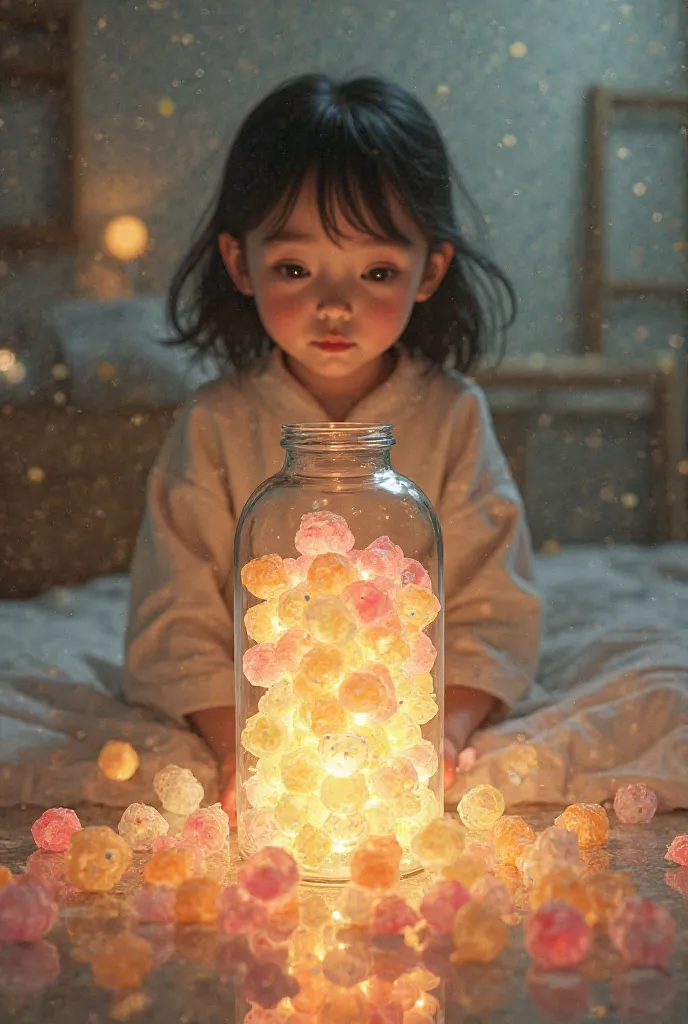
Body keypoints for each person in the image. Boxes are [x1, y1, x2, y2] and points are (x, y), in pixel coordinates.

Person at [124, 73, 542, 823]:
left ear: (431, 269)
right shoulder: (216, 424)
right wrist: (239, 744)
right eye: (294, 267)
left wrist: (442, 730)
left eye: (377, 270)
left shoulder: (452, 416)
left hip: (397, 706)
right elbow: (176, 616)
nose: (335, 303)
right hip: (275, 710)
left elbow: (491, 605)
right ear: (239, 262)